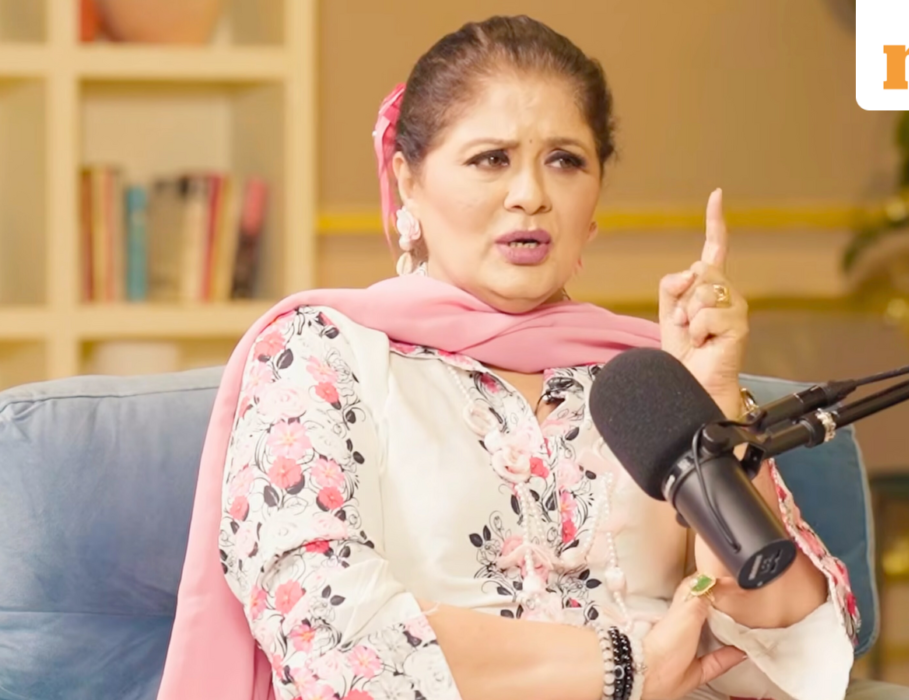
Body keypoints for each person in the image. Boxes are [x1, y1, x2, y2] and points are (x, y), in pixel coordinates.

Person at [157, 15, 859, 700]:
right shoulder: (322, 352)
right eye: (491, 159)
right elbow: (320, 628)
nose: (531, 195)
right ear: (408, 181)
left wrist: (716, 411)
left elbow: (793, 653)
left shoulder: (646, 379)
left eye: (565, 161)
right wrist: (625, 670)